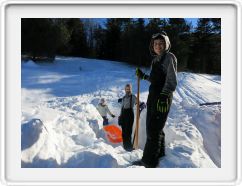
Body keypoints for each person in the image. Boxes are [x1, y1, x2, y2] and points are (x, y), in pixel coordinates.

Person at [133, 32, 177, 168]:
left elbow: (171, 80)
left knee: (153, 130)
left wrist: (164, 96)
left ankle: (149, 162)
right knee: (155, 128)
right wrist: (144, 76)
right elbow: (155, 79)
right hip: (153, 97)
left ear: (166, 44)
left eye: (161, 43)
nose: (158, 46)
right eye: (156, 44)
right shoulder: (156, 60)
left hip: (162, 97)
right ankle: (160, 153)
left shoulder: (169, 57)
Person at [118, 84, 137, 151]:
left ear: (130, 89)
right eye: (126, 89)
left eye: (128, 89)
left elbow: (138, 103)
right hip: (123, 114)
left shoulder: (133, 96)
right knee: (124, 132)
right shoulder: (123, 98)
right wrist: (120, 116)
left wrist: (141, 105)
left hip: (130, 114)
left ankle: (129, 147)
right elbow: (122, 107)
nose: (127, 90)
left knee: (128, 131)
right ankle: (125, 147)